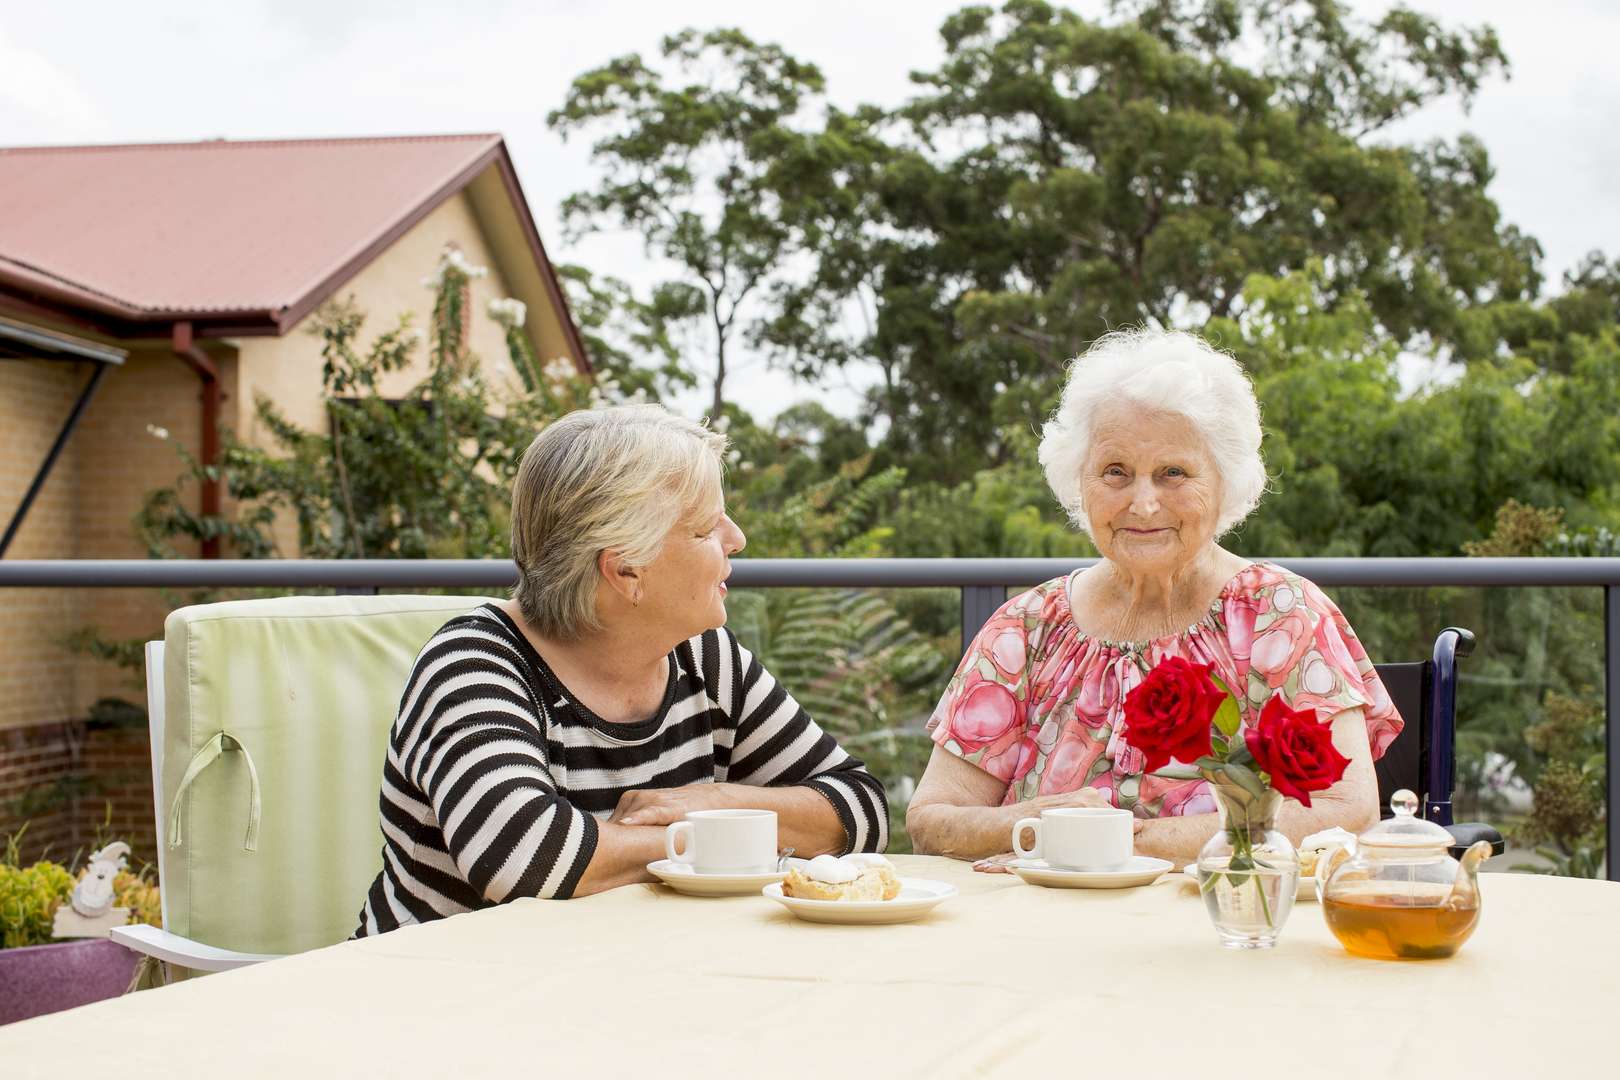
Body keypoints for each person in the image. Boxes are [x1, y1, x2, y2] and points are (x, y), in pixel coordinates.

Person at [355, 405, 887, 934]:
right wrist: (716, 837)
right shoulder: (474, 664)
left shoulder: (704, 657)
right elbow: (525, 855)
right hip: (435, 994)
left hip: (612, 987)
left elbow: (861, 809)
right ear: (626, 570)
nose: (737, 538)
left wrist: (714, 800)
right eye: (705, 528)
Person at [906, 329, 1398, 870]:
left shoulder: (1277, 615)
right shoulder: (1026, 628)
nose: (1142, 504)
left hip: (1217, 925)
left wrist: (1117, 842)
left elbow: (1344, 810)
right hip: (1041, 930)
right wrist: (1030, 822)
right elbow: (931, 819)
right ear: (1080, 480)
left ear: (1225, 481)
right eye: (1115, 472)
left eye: (1173, 474)